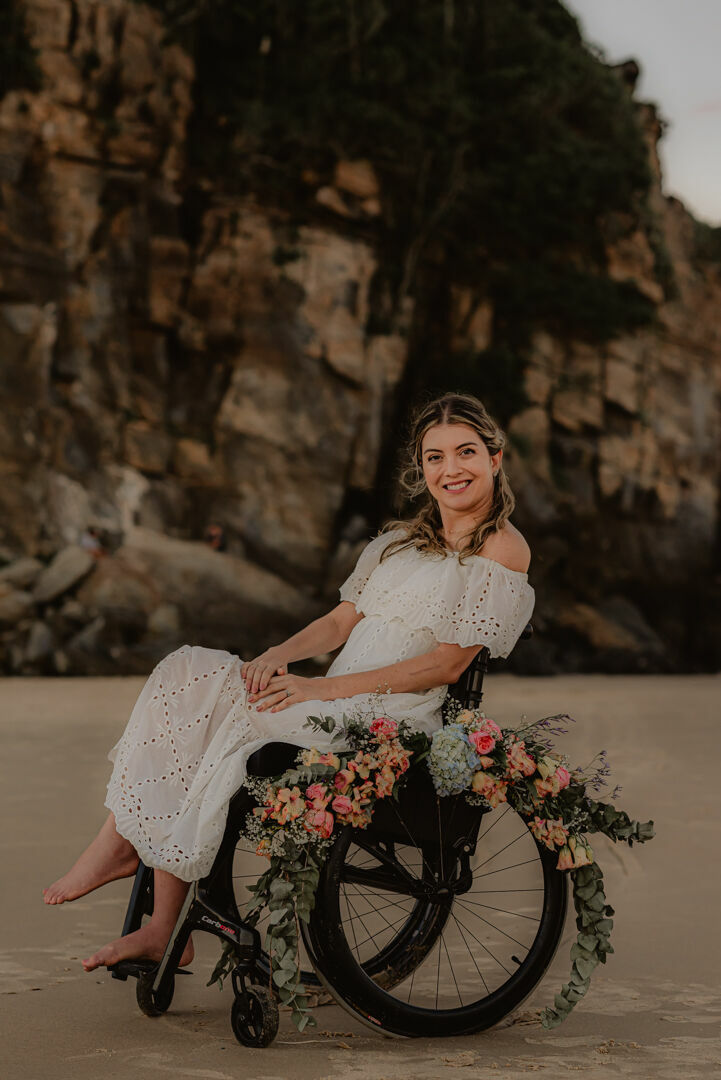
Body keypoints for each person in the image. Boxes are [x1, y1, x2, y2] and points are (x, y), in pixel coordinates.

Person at [43, 392, 535, 973]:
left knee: (234, 718)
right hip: (335, 693)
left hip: (391, 716)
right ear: (421, 468)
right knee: (187, 675)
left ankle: (140, 878)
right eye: (435, 457)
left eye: (466, 452)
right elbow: (338, 622)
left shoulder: (503, 548)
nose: (450, 469)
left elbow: (446, 666)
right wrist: (280, 657)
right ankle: (132, 861)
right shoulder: (399, 542)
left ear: (495, 458)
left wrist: (319, 690)